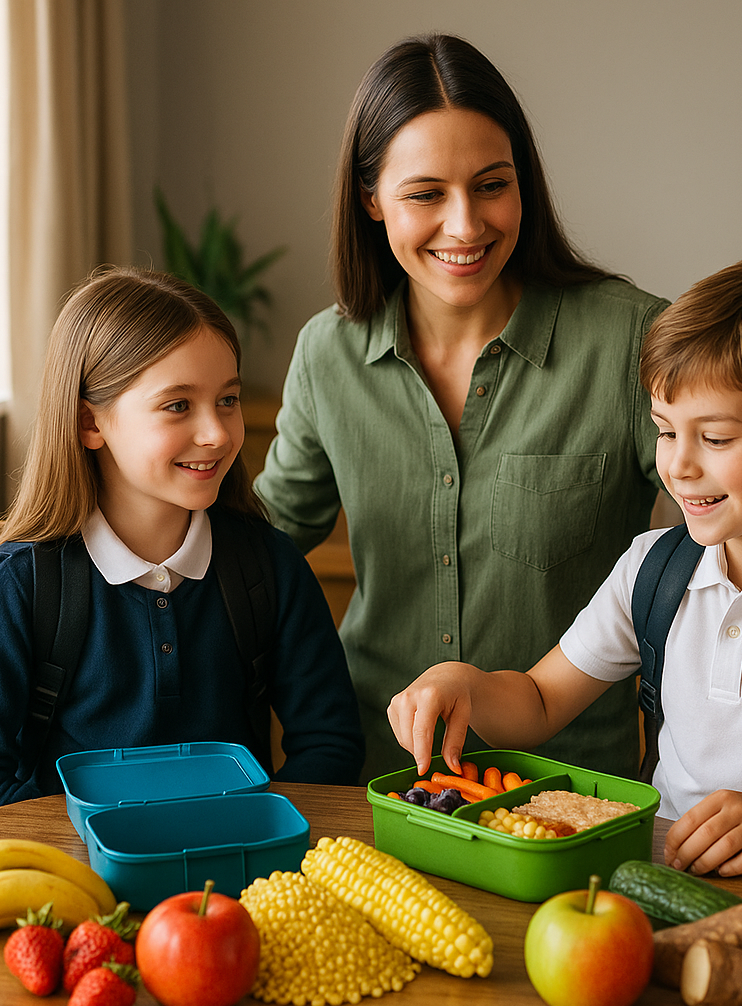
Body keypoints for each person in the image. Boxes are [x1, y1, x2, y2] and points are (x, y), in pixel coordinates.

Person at [388, 256, 742, 880]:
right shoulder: (652, 569)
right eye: (664, 431)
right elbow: (541, 700)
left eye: (714, 439)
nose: (677, 466)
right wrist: (463, 682)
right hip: (663, 889)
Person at [254, 33, 670, 783]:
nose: (465, 225)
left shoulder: (631, 339)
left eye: (490, 184)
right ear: (370, 198)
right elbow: (257, 547)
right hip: (374, 784)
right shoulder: (328, 354)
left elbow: (730, 524)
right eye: (425, 194)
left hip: (570, 790)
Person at [0, 267, 364, 820]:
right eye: (178, 405)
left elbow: (330, 746)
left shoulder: (271, 566)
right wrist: (114, 844)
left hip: (234, 867)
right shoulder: (20, 581)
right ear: (91, 423)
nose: (217, 433)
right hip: (81, 881)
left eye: (227, 400)